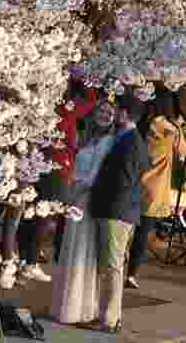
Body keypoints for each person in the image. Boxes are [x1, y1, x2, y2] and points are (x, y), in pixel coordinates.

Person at [83, 99, 151, 333]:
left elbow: (126, 180)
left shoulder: (131, 143)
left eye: (118, 111)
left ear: (125, 114)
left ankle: (110, 319)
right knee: (109, 263)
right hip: (117, 210)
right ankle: (107, 315)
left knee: (112, 265)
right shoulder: (129, 139)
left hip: (117, 211)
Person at [50, 103, 116, 324]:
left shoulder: (108, 141)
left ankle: (78, 307)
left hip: (86, 197)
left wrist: (77, 192)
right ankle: (64, 304)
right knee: (70, 246)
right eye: (101, 111)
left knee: (81, 249)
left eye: (110, 113)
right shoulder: (87, 138)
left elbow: (95, 173)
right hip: (75, 193)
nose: (105, 116)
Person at [126, 92, 186, 289]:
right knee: (142, 233)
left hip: (134, 181)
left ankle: (114, 265)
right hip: (155, 186)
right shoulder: (172, 129)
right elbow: (184, 151)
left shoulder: (141, 124)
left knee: (124, 229)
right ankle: (131, 273)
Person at [45, 79, 99, 262]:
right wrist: (84, 79)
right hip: (60, 164)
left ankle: (35, 254)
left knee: (50, 212)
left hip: (55, 162)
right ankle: (40, 254)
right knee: (56, 212)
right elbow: (90, 102)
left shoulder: (58, 108)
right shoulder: (65, 110)